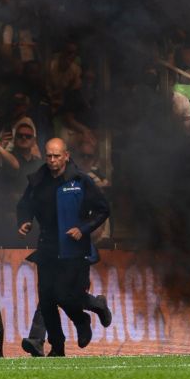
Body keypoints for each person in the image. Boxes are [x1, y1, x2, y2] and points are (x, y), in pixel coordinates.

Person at [16, 138, 110, 357]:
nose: (52, 160)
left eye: (56, 156)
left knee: (66, 296)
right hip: (47, 247)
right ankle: (57, 347)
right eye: (48, 156)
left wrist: (83, 229)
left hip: (74, 249)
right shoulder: (37, 180)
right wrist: (24, 221)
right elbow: (23, 205)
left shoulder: (81, 180)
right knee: (47, 300)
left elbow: (103, 210)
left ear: (66, 156)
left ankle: (91, 310)